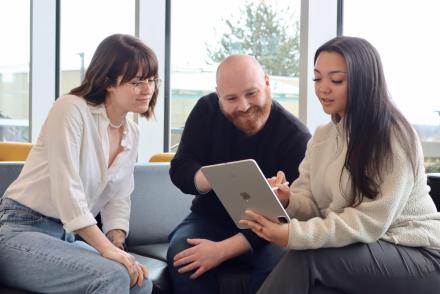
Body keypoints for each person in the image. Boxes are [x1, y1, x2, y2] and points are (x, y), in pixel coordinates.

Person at [239, 36, 440, 294]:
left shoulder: (395, 136)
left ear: (363, 82)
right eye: (317, 78)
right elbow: (312, 203)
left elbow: (368, 221)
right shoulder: (322, 137)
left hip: (418, 252)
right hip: (367, 248)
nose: (323, 88)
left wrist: (291, 235)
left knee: (306, 258)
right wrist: (288, 201)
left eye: (336, 80)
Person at [0, 34, 160, 293]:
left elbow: (118, 197)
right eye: (137, 81)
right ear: (108, 82)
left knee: (140, 283)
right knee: (112, 277)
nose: (148, 89)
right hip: (19, 229)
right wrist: (106, 250)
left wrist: (117, 246)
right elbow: (68, 191)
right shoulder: (71, 108)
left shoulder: (132, 133)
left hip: (67, 235)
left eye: (152, 80)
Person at [167, 54, 311, 294]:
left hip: (269, 230)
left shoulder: (296, 137)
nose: (243, 106)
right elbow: (180, 167)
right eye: (231, 98)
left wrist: (220, 250)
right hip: (208, 219)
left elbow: (288, 218)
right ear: (218, 94)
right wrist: (214, 177)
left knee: (283, 262)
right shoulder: (206, 110)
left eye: (251, 93)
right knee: (184, 256)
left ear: (267, 82)